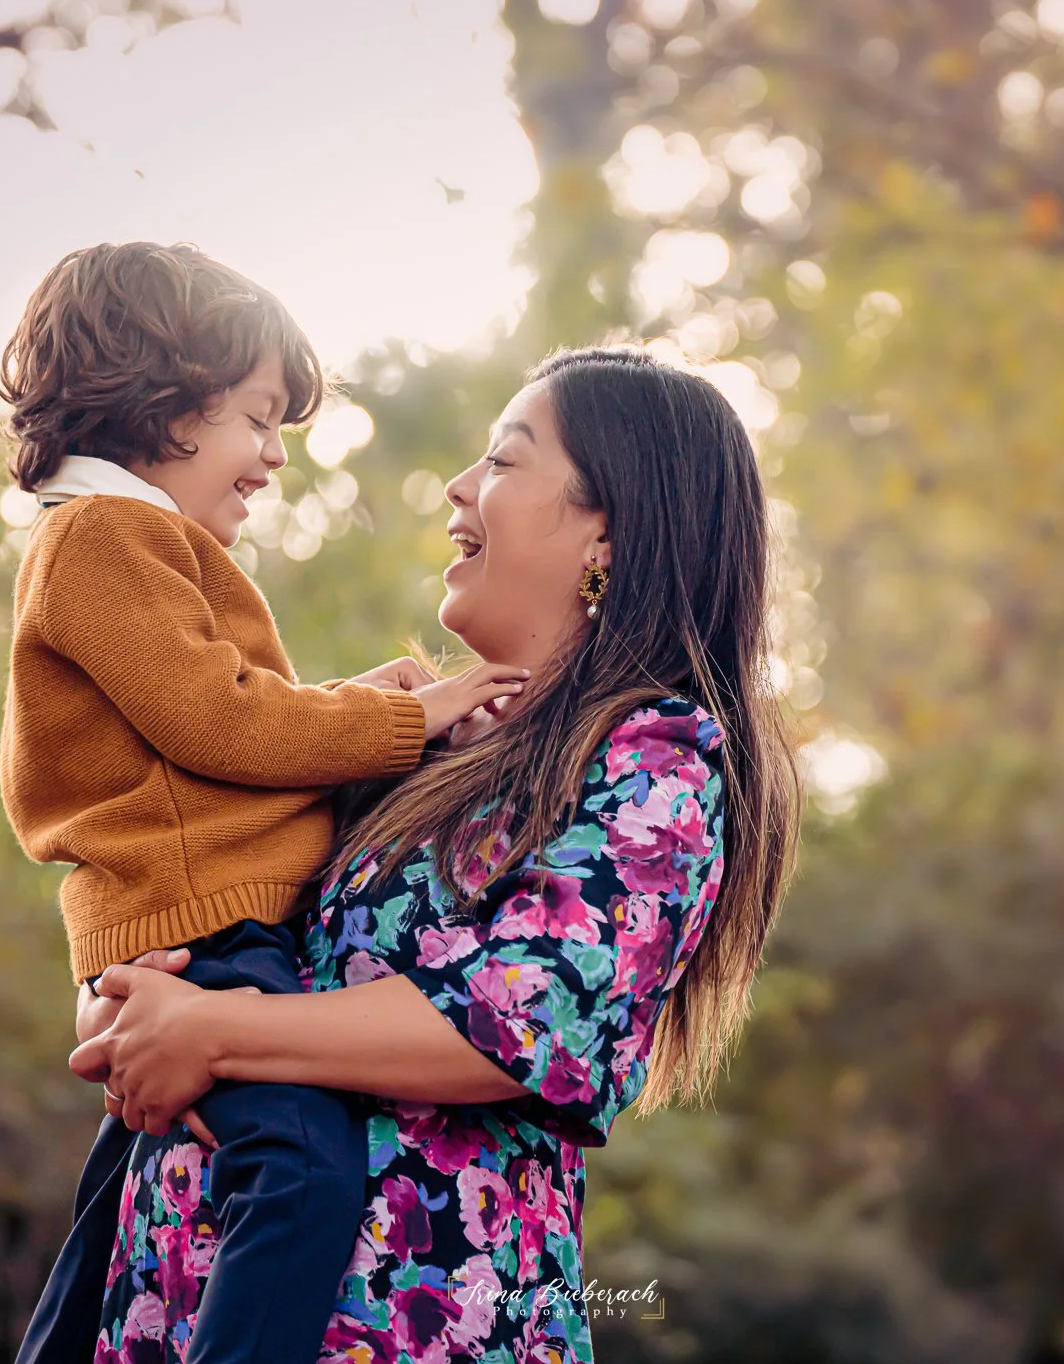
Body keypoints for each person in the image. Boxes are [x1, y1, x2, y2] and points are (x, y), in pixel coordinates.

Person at [70, 346, 803, 1362]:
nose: (458, 487)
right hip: (177, 1301)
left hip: (399, 1323)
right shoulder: (412, 745)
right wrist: (123, 1004)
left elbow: (514, 1019)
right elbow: (195, 890)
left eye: (504, 463)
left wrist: (216, 1032)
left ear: (610, 529)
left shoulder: (654, 758)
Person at [0, 241, 530, 1364]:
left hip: (205, 925)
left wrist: (368, 710)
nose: (273, 456)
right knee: (299, 1173)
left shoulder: (133, 544)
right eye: (256, 418)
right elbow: (227, 723)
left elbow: (218, 726)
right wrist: (409, 720)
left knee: (125, 1190)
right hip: (204, 932)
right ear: (161, 405)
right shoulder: (103, 537)